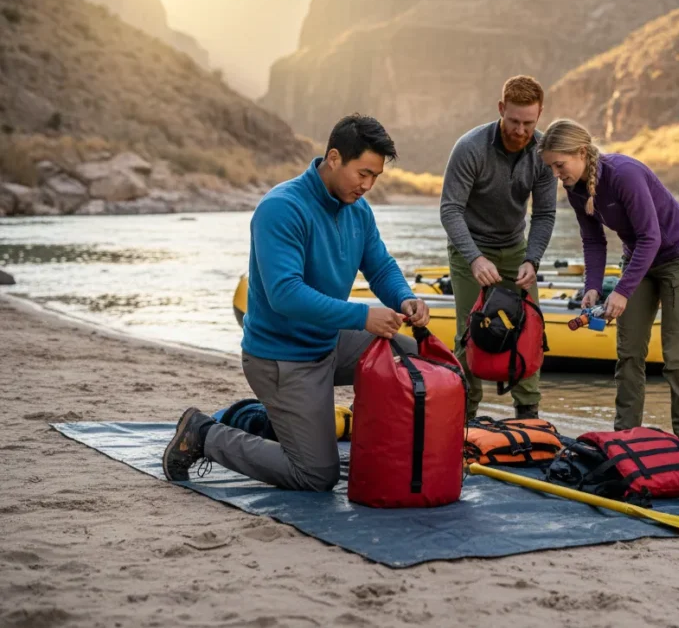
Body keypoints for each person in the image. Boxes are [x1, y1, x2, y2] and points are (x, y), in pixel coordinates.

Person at [163, 114, 429, 491]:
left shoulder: (358, 210)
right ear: (334, 158)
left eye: (376, 177)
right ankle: (203, 434)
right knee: (316, 475)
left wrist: (405, 299)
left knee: (410, 355)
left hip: (329, 341)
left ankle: (266, 421)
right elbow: (285, 294)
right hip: (282, 358)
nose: (368, 185)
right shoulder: (282, 208)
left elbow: (381, 266)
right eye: (363, 174)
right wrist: (361, 316)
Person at [538, 119, 679, 441]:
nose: (557, 174)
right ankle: (625, 440)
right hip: (638, 258)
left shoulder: (623, 174)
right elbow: (593, 241)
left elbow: (651, 236)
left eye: (560, 165)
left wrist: (622, 291)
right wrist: (593, 286)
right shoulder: (574, 190)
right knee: (628, 355)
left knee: (678, 359)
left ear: (582, 153)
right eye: (552, 168)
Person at [440, 75, 557, 419]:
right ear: (501, 109)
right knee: (469, 331)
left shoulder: (542, 152)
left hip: (515, 248)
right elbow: (450, 209)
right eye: (514, 121)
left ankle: (527, 411)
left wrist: (532, 260)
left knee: (530, 327)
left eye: (528, 123)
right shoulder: (470, 148)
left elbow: (546, 213)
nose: (520, 131)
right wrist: (474, 259)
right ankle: (465, 412)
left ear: (539, 116)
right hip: (469, 249)